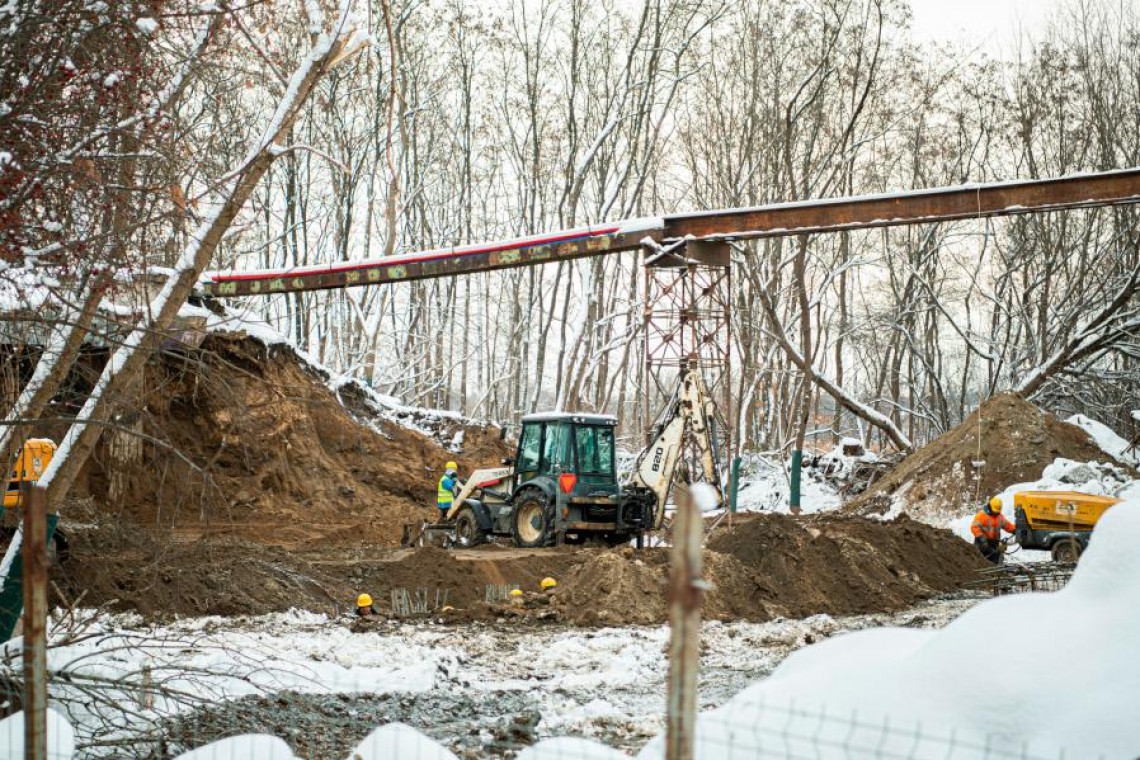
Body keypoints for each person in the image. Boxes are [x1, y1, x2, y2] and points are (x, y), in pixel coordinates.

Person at [971, 496, 1015, 563]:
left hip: (994, 543)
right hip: (982, 542)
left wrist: (1015, 530)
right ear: (990, 507)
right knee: (979, 559)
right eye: (995, 511)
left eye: (997, 512)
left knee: (996, 558)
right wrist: (981, 538)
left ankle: (996, 570)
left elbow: (1008, 526)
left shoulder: (1000, 517)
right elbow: (974, 527)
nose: (996, 513)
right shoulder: (982, 515)